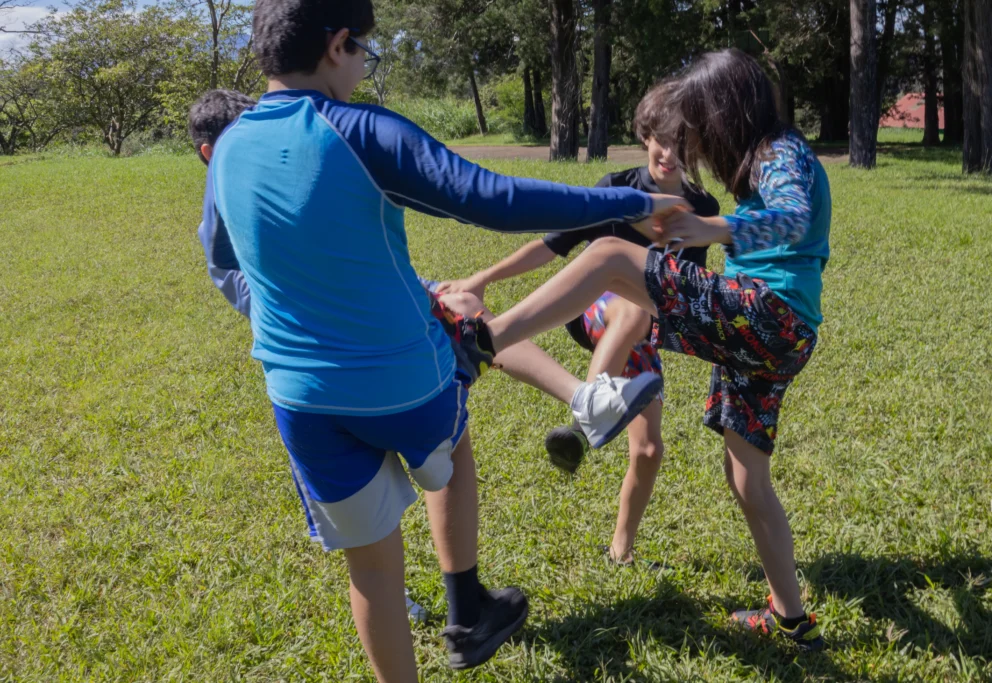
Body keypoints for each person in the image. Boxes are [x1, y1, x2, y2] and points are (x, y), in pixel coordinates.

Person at [200, 0, 685, 678]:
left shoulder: (226, 150)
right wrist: (633, 203)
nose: (363, 68)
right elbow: (492, 198)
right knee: (450, 443)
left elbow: (224, 260)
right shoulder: (360, 130)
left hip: (300, 400)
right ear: (337, 45)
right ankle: (467, 608)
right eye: (364, 51)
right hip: (406, 384)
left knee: (372, 569)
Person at [186, 87, 635, 619]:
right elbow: (245, 278)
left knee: (463, 320)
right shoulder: (234, 187)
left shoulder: (281, 161)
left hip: (360, 342)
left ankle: (580, 397)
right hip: (322, 357)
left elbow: (353, 256)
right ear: (212, 151)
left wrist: (427, 290)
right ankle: (401, 590)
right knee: (381, 494)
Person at [456, 49, 830, 651]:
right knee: (746, 477)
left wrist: (713, 229)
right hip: (779, 333)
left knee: (609, 257)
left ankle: (481, 342)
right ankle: (792, 620)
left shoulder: (778, 151)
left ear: (728, 107)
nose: (696, 137)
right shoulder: (766, 157)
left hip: (765, 313)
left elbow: (794, 219)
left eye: (702, 118)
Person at [437, 80, 720, 567]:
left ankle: (621, 553)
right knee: (631, 307)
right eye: (661, 139)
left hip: (644, 328)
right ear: (645, 136)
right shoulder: (615, 189)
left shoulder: (703, 209)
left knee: (649, 451)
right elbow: (550, 246)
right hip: (596, 309)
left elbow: (684, 292)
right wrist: (482, 277)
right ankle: (585, 410)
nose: (669, 153)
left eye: (682, 142)